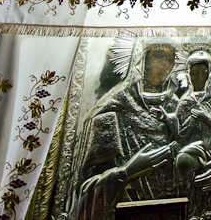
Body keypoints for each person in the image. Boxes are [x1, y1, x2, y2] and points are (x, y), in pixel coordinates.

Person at [68, 39, 183, 220]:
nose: (164, 65)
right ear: (140, 58)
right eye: (158, 55)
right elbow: (84, 191)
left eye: (170, 59)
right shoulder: (113, 109)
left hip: (173, 209)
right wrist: (128, 171)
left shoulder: (176, 107)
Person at [174, 49, 211, 216]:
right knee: (184, 166)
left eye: (203, 73)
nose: (199, 77)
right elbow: (177, 133)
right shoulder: (185, 102)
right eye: (195, 73)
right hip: (190, 152)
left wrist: (207, 119)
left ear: (210, 74)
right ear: (188, 75)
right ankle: (188, 211)